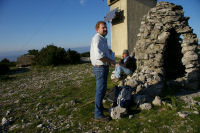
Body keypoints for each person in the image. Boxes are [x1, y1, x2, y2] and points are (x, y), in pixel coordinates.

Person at [90, 21, 115, 121]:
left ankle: (99, 108)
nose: (105, 29)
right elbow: (99, 56)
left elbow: (103, 52)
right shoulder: (97, 39)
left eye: (106, 27)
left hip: (104, 67)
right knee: (100, 91)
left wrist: (108, 52)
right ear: (97, 29)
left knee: (103, 89)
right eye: (103, 28)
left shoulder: (103, 39)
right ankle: (98, 115)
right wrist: (110, 61)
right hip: (100, 68)